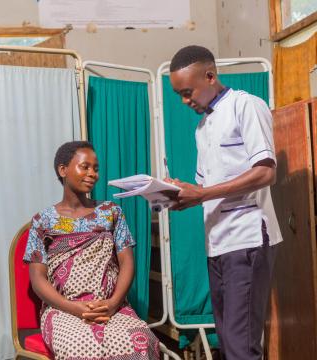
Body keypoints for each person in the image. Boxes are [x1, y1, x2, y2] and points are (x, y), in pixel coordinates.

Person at [166, 45, 283, 360]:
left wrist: (202, 194)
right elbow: (207, 185)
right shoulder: (202, 127)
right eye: (179, 94)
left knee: (241, 346)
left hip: (246, 238)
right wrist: (181, 193)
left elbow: (265, 172)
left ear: (210, 75)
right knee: (228, 342)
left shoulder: (246, 106)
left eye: (188, 92)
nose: (184, 101)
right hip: (216, 243)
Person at [23, 141, 160, 360]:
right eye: (84, 167)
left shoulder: (110, 212)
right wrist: (74, 308)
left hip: (111, 307)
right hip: (63, 310)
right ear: (63, 170)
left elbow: (127, 264)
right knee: (81, 348)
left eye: (95, 168)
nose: (92, 174)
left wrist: (113, 304)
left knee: (142, 342)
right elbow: (38, 279)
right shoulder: (43, 221)